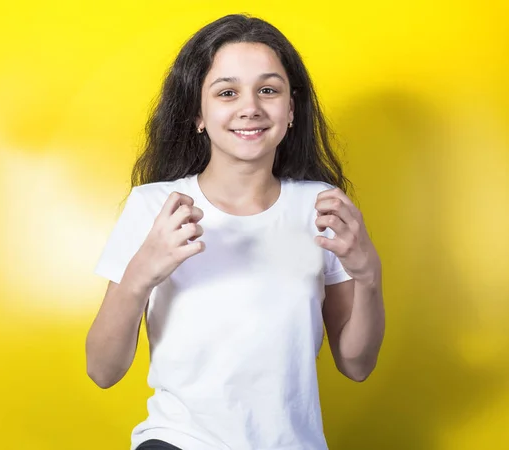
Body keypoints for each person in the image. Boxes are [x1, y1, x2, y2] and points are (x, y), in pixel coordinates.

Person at [86, 13, 385, 450]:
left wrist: (369, 276)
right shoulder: (155, 206)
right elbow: (103, 371)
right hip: (177, 441)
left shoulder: (321, 206)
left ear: (291, 110)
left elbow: (356, 364)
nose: (250, 107)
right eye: (227, 92)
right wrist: (140, 274)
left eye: (268, 90)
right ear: (198, 114)